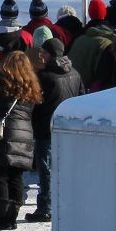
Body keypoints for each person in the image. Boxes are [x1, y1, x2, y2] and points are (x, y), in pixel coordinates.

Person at [0, 50, 40, 231]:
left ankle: (1, 219)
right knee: (16, 175)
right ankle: (12, 217)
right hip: (24, 134)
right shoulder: (31, 86)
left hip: (1, 131)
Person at [25, 37, 81, 221]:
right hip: (68, 129)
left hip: (45, 129)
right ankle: (65, 204)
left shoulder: (44, 76)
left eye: (44, 52)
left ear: (51, 54)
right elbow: (82, 97)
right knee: (66, 169)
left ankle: (45, 208)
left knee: (47, 170)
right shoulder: (75, 73)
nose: (41, 55)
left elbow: (35, 102)